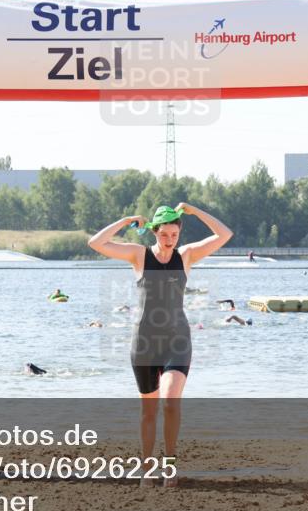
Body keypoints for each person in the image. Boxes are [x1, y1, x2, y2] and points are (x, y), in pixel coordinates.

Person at [88, 202, 232, 487]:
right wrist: (127, 219)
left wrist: (194, 211)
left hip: (177, 340)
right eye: (164, 234)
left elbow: (224, 234)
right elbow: (96, 242)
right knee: (149, 411)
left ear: (179, 233)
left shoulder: (186, 256)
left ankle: (170, 465)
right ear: (154, 232)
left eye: (174, 235)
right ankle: (147, 469)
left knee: (170, 401)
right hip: (143, 344)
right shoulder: (138, 255)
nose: (169, 240)